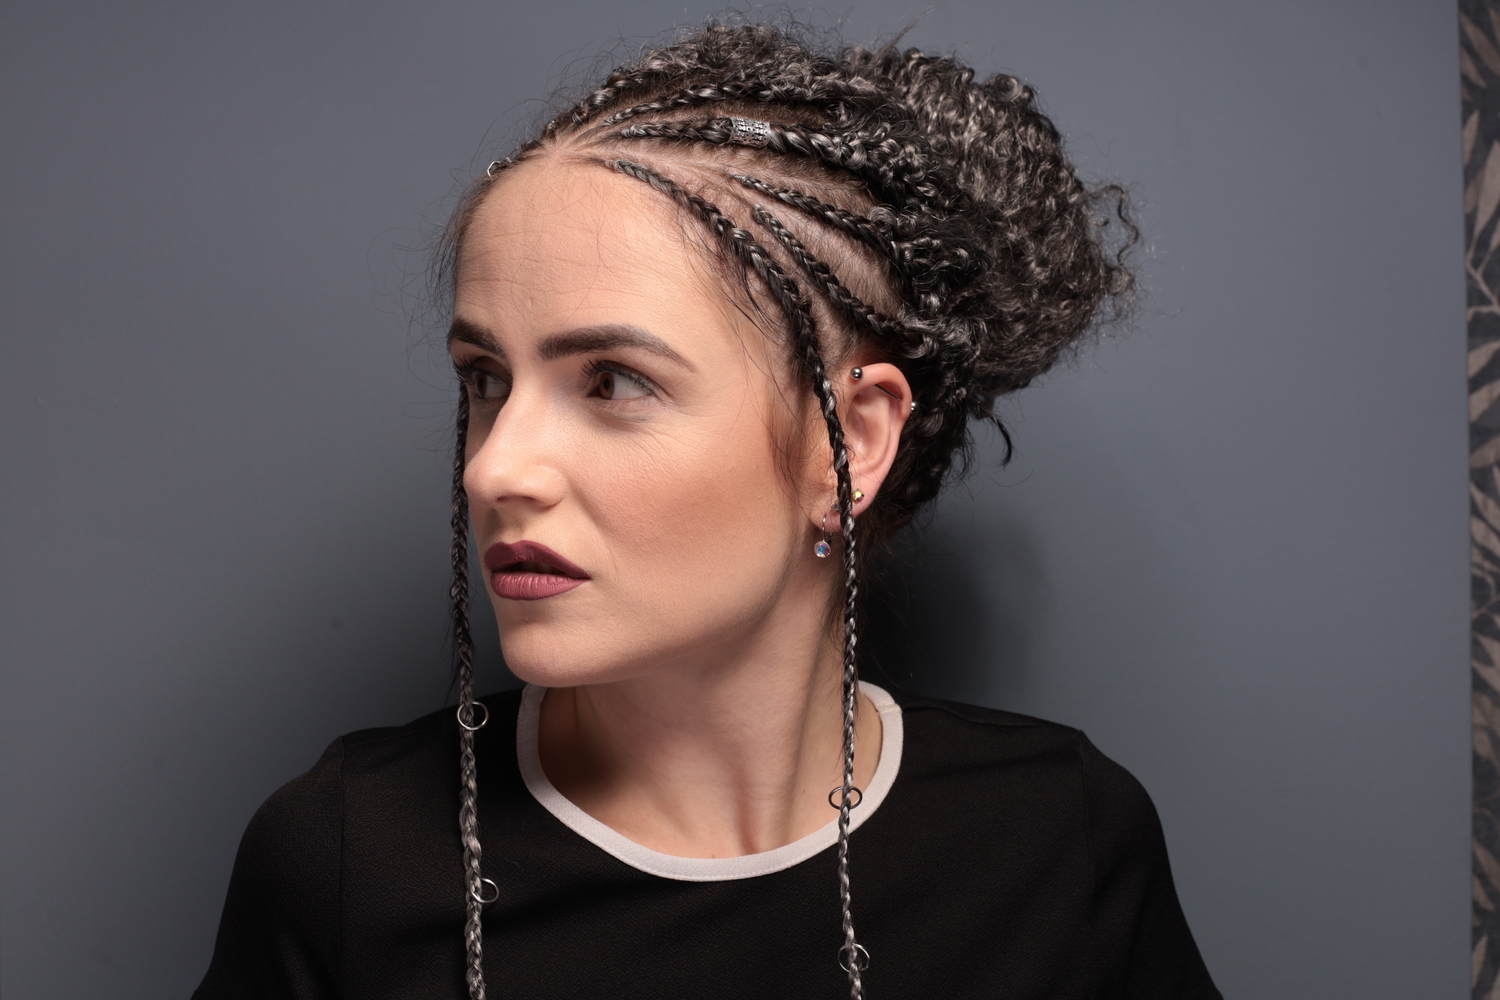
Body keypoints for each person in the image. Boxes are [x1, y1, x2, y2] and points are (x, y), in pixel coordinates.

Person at [194, 19, 1220, 1000]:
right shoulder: (349, 857)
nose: (495, 468)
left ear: (850, 441)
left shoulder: (1058, 840)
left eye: (612, 382)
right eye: (486, 379)